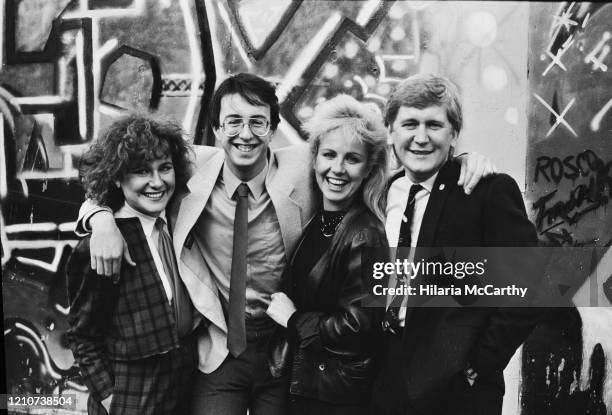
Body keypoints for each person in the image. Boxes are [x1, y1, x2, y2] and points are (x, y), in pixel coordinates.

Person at [75, 73, 494, 415]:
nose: (244, 134)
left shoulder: (306, 166)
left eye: (257, 122)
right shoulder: (189, 168)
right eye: (233, 122)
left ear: (274, 129)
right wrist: (99, 217)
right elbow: (123, 172)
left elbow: (374, 160)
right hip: (218, 352)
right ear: (217, 129)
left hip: (284, 353)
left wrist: (462, 160)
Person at [371, 73, 541, 415]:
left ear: (454, 135)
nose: (421, 137)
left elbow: (529, 284)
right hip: (385, 376)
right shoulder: (381, 192)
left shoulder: (486, 191)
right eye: (409, 124)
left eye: (434, 125)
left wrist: (480, 362)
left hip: (457, 389)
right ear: (390, 132)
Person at [66, 114, 197, 414]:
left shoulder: (178, 220)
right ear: (116, 177)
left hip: (183, 386)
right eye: (141, 171)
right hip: (133, 394)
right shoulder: (103, 245)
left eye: (164, 168)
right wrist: (112, 398)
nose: (156, 182)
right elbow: (83, 336)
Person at [266, 95, 388, 415]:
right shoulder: (320, 219)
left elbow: (359, 326)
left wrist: (294, 319)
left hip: (335, 398)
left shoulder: (367, 234)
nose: (337, 168)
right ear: (315, 158)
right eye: (329, 154)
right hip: (308, 386)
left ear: (368, 167)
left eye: (352, 159)